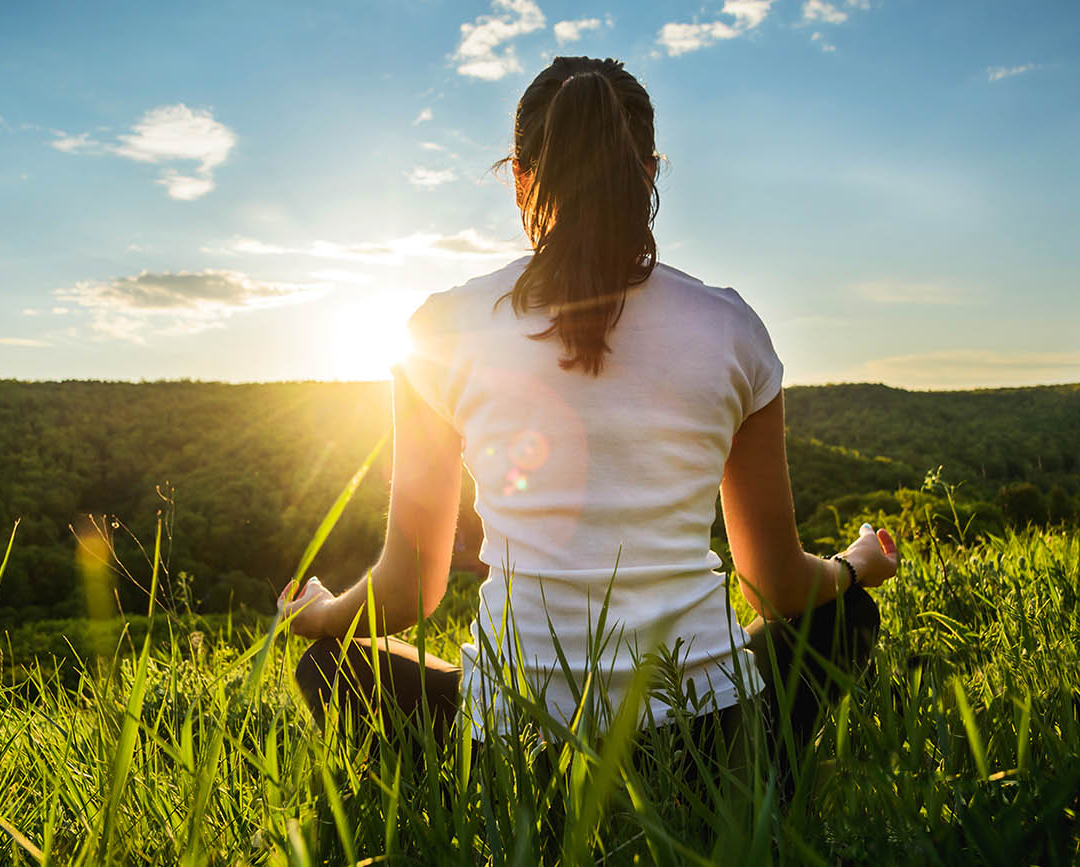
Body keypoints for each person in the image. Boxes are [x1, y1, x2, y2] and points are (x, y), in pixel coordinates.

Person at [279, 56, 898, 777]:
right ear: (648, 173)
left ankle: (466, 793)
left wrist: (317, 613)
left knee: (332, 663)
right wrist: (855, 566)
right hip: (715, 748)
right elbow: (778, 589)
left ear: (519, 174)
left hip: (515, 757)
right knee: (837, 614)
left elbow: (409, 589)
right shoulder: (731, 327)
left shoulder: (441, 330)